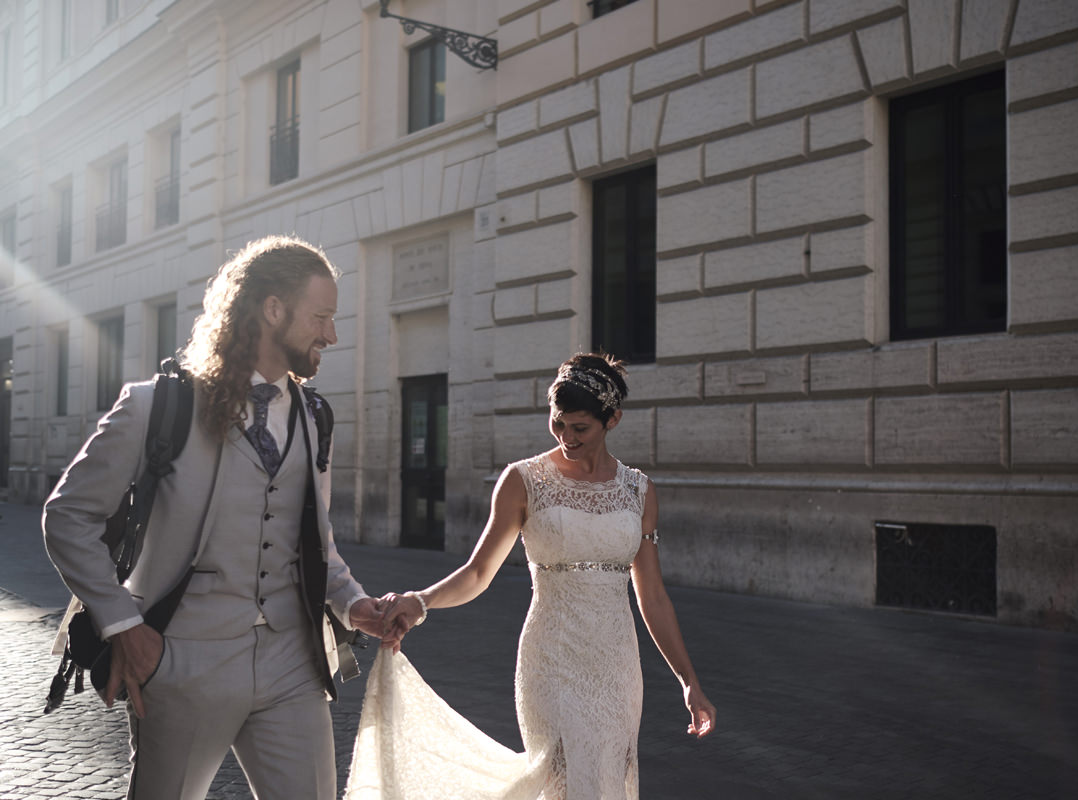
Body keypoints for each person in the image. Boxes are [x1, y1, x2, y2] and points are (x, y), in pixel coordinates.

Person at [44, 235, 392, 800]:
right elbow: (67, 516)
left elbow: (314, 541)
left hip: (292, 665)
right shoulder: (156, 405)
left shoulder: (314, 416)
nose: (331, 334)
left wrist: (353, 604)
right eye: (321, 317)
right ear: (272, 310)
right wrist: (124, 626)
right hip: (181, 662)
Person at [345, 353, 716, 799]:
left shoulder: (639, 490)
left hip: (617, 665)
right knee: (562, 781)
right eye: (558, 423)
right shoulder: (524, 480)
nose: (566, 437)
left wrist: (688, 680)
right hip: (551, 660)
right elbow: (479, 571)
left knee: (605, 781)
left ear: (612, 420)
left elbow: (652, 596)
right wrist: (420, 602)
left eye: (580, 428)